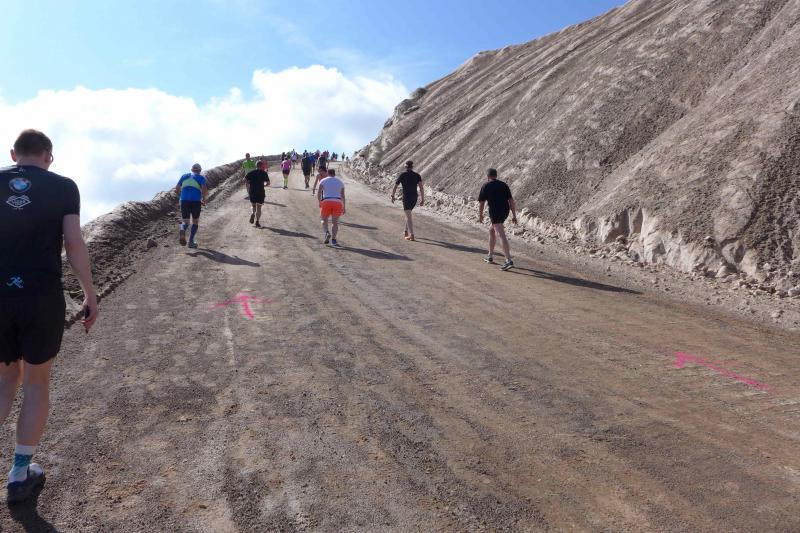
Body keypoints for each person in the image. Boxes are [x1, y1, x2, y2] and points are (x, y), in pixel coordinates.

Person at [0, 129, 99, 503]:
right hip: (41, 297)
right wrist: (89, 293)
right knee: (36, 382)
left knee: (4, 379)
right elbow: (73, 243)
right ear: (49, 156)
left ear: (13, 153)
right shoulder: (63, 187)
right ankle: (18, 475)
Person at [478, 168, 518, 271]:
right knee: (492, 230)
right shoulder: (503, 185)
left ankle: (508, 260)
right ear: (496, 175)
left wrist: (480, 215)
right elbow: (511, 201)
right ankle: (490, 256)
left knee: (500, 234)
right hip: (505, 211)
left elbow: (482, 203)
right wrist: (514, 215)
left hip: (495, 212)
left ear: (488, 177)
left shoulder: (486, 185)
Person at [175, 163, 208, 249]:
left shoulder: (184, 176)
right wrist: (204, 199)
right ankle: (191, 242)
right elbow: (204, 189)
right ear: (200, 171)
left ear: (192, 170)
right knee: (195, 221)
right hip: (195, 201)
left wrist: (181, 197)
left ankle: (182, 229)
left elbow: (177, 189)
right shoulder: (201, 178)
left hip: (184, 201)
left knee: (186, 221)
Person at [391, 160, 424, 240]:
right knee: (408, 214)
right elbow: (421, 188)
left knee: (408, 216)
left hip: (406, 197)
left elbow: (395, 186)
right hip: (414, 197)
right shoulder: (417, 175)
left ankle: (411, 235)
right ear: (412, 167)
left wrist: (393, 195)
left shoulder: (402, 175)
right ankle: (405, 231)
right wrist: (423, 199)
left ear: (405, 167)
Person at [317, 168, 345, 247]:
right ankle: (334, 240)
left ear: (327, 173)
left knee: (323, 220)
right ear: (334, 174)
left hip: (326, 201)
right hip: (338, 202)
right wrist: (344, 206)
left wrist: (320, 202)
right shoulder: (340, 182)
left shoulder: (323, 180)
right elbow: (343, 195)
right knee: (335, 223)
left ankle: (326, 232)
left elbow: (319, 192)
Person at [245, 160, 270, 228]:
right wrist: (264, 185)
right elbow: (268, 183)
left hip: (252, 192)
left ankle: (253, 213)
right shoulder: (264, 173)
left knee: (253, 206)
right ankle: (257, 222)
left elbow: (245, 180)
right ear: (262, 166)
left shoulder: (251, 172)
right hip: (260, 192)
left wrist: (249, 185)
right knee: (259, 208)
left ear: (256, 166)